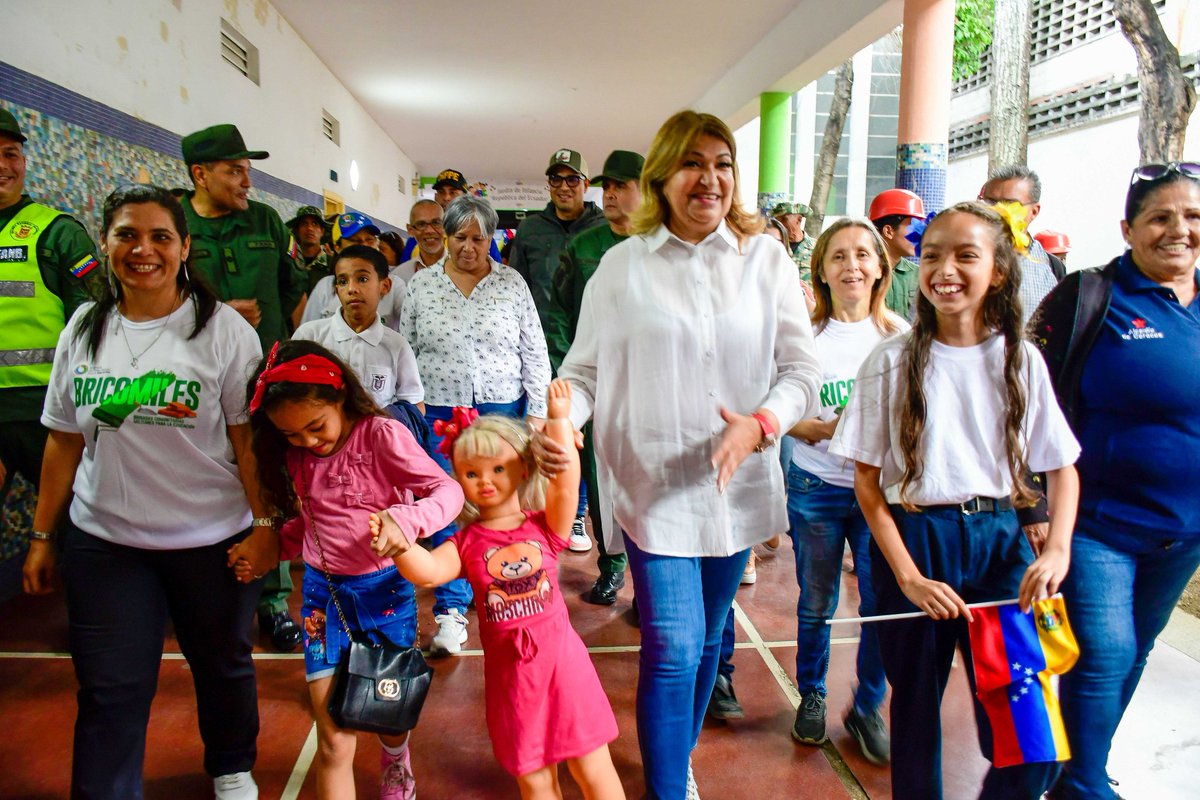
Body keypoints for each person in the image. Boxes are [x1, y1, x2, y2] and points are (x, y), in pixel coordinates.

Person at [549, 110, 821, 798]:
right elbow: (584, 375)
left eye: (723, 163)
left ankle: (678, 753)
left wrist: (760, 424)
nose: (711, 178)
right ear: (662, 178)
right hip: (652, 486)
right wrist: (558, 420)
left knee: (705, 641)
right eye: (694, 163)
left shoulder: (766, 261)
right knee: (672, 642)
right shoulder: (622, 267)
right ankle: (670, 786)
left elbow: (800, 372)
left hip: (736, 484)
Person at [22, 184, 272, 799]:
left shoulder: (223, 332)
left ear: (184, 247)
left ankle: (232, 766)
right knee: (110, 688)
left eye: (160, 236)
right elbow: (62, 440)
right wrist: (43, 536)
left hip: (211, 542)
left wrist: (267, 530)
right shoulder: (83, 327)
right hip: (106, 543)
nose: (143, 250)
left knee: (221, 666)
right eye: (126, 235)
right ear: (105, 244)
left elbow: (250, 444)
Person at [829, 201, 1081, 800]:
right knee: (914, 726)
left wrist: (1057, 551)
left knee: (1032, 732)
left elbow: (1062, 467)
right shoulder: (888, 361)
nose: (945, 268)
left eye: (966, 254)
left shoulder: (1021, 360)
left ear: (997, 270)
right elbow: (868, 483)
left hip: (1002, 551)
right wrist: (911, 579)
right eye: (932, 253)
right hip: (917, 543)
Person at [1028, 162, 1200, 800]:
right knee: (1102, 654)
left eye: (1193, 217)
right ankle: (1084, 785)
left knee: (1134, 653)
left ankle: (1073, 770)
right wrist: (1032, 505)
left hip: (1184, 532)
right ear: (1128, 229)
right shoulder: (1089, 296)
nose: (1178, 230)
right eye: (1160, 217)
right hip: (1095, 522)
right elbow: (1026, 399)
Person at [382, 381, 624, 799]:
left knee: (593, 767)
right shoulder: (465, 543)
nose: (486, 481)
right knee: (534, 779)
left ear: (523, 468)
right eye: (472, 473)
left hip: (566, 670)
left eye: (497, 468)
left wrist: (560, 422)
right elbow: (428, 573)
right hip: (513, 682)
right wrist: (401, 544)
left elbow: (566, 485)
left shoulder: (543, 527)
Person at [243, 340, 462, 800]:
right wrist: (272, 548)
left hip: (385, 593)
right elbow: (314, 520)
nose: (307, 442)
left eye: (315, 427)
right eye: (291, 435)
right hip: (324, 598)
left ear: (339, 396)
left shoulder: (380, 435)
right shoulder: (297, 456)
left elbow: (447, 492)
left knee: (389, 712)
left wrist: (406, 521)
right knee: (334, 740)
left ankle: (396, 758)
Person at [401, 194, 552, 657]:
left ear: (492, 239)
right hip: (441, 415)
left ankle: (507, 591)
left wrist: (539, 414)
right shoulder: (421, 287)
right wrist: (415, 410)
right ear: (445, 237)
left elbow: (534, 353)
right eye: (460, 237)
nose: (469, 246)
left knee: (500, 507)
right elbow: (405, 352)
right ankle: (450, 611)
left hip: (501, 413)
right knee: (448, 508)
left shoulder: (512, 285)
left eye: (478, 238)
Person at [179, 123, 308, 651]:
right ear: (200, 174)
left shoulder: (266, 222)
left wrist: (278, 353)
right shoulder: (175, 223)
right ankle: (202, 583)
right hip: (194, 381)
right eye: (235, 171)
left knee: (268, 477)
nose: (245, 181)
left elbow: (292, 290)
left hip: (263, 379)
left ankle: (273, 602)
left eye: (247, 171)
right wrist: (219, 315)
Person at [785, 219, 908, 764]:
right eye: (838, 256)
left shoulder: (901, 337)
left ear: (881, 267)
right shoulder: (803, 337)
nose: (851, 265)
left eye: (863, 255)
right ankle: (811, 691)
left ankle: (868, 706)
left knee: (880, 604)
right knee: (817, 602)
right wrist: (804, 427)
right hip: (816, 487)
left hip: (880, 495)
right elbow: (776, 405)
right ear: (822, 271)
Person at [547, 149, 645, 593]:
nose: (609, 195)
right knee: (600, 478)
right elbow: (562, 313)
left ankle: (647, 582)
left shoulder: (660, 244)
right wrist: (575, 372)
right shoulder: (584, 246)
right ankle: (612, 568)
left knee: (643, 482)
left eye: (620, 186)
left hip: (646, 389)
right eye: (606, 187)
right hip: (596, 385)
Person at [0, 107, 100, 504]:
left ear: (24, 161)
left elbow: (94, 324)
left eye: (10, 154)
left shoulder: (58, 233)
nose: (3, 165)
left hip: (41, 409)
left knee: (67, 517)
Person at [291, 245, 424, 430]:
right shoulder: (309, 337)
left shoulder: (397, 346)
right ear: (336, 290)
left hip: (376, 447)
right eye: (343, 281)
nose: (351, 289)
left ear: (385, 286)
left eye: (362, 279)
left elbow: (415, 405)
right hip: (321, 447)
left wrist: (384, 428)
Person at [510, 148, 605, 333]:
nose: (563, 187)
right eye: (556, 179)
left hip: (595, 341)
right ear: (549, 184)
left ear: (586, 185)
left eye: (572, 179)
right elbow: (516, 288)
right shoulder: (530, 229)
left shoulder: (605, 228)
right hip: (544, 343)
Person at [979, 165, 1065, 322]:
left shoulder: (1052, 268)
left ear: (1034, 211)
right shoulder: (964, 257)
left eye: (1009, 204)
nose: (998, 210)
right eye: (990, 202)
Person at [301, 212, 405, 332]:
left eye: (370, 240)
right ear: (337, 247)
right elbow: (307, 334)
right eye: (356, 241)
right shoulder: (324, 287)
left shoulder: (394, 285)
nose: (365, 247)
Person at [868, 187, 926, 319]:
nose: (919, 234)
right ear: (888, 231)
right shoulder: (862, 273)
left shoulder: (919, 275)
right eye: (913, 227)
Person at [394, 199, 447, 286]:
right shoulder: (399, 277)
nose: (429, 230)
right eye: (421, 224)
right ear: (410, 230)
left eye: (436, 223)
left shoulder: (466, 272)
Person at [286, 204, 332, 292]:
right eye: (304, 224)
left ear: (322, 231)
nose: (310, 228)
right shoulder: (288, 263)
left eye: (315, 224)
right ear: (297, 230)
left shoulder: (332, 265)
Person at [771, 200, 815, 284]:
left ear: (799, 220)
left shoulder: (817, 249)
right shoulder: (774, 248)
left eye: (784, 219)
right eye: (777, 220)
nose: (779, 224)